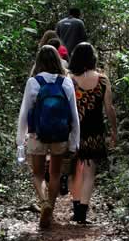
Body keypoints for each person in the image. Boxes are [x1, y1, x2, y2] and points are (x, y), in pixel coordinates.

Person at [17, 45, 81, 229]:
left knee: (37, 174)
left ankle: (44, 202)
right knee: (55, 173)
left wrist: (20, 140)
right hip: (60, 135)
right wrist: (74, 141)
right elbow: (74, 115)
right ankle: (50, 212)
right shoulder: (66, 82)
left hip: (37, 134)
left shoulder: (33, 82)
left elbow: (24, 112)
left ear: (39, 61)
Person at [68, 42, 117, 224]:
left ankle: (75, 208)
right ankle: (82, 213)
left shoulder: (69, 79)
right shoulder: (102, 80)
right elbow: (109, 108)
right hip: (95, 131)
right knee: (89, 172)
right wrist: (114, 130)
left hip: (73, 131)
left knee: (75, 171)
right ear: (93, 57)